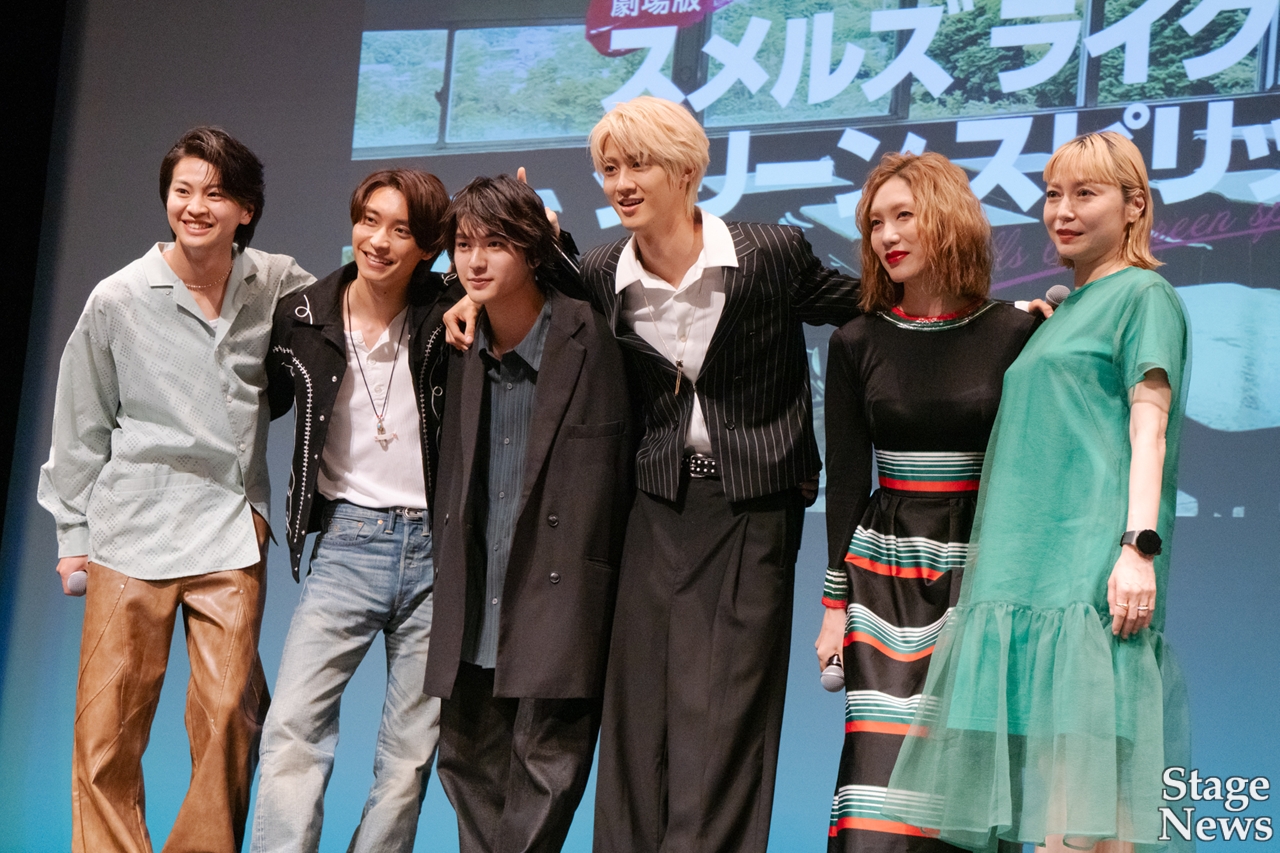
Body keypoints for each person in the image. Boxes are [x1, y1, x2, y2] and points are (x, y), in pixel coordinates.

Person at [883, 132, 1191, 853]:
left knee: (1090, 810)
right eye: (1054, 194)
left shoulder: (1144, 295)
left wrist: (1137, 548)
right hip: (1021, 571)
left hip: (1085, 573)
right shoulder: (1067, 309)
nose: (1063, 211)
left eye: (1086, 194)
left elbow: (1150, 431)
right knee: (1059, 799)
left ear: (1135, 205)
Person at [37, 126, 314, 853]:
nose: (195, 206)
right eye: (183, 190)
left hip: (229, 525)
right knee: (107, 730)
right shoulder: (119, 297)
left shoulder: (275, 282)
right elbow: (80, 423)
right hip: (132, 527)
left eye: (215, 193)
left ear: (246, 209)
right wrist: (72, 537)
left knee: (231, 717)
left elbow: (364, 301)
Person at [813, 152, 1038, 852]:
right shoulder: (856, 341)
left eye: (903, 215)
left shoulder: (1017, 331)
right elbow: (846, 482)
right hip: (885, 577)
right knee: (875, 796)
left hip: (983, 575)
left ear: (947, 218)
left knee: (964, 795)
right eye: (874, 223)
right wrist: (832, 607)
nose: (886, 235)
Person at [251, 169, 461, 852]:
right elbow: (255, 403)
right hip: (347, 543)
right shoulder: (304, 315)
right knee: (293, 730)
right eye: (369, 220)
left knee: (409, 757)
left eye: (401, 229)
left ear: (428, 246)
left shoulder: (451, 309)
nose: (378, 240)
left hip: (437, 554)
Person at [424, 175, 632, 852]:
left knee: (546, 775)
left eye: (496, 243)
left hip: (561, 601)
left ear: (534, 249)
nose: (475, 260)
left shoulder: (593, 333)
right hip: (473, 601)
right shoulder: (457, 345)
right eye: (463, 245)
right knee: (465, 771)